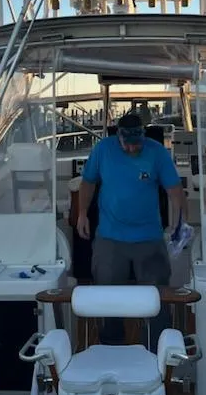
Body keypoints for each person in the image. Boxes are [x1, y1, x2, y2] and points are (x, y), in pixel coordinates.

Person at [76, 112, 186, 347]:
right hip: (110, 238)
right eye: (128, 144)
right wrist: (82, 214)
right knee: (108, 301)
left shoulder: (156, 152)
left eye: (137, 144)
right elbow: (88, 181)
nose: (132, 149)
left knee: (157, 300)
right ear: (119, 138)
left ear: (143, 137)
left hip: (149, 239)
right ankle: (111, 350)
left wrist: (179, 223)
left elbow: (174, 190)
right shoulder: (103, 149)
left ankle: (159, 354)